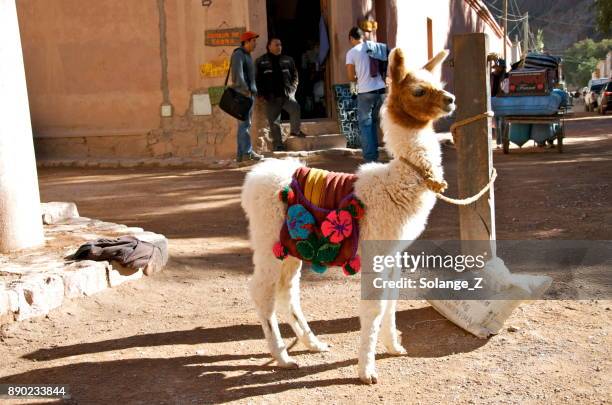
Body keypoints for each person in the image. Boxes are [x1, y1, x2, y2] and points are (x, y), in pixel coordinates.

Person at [256, 38, 307, 151]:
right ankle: (278, 145)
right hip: (270, 97)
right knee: (274, 122)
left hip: (287, 95)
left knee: (295, 108)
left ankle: (295, 131)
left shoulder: (288, 60)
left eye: (280, 45)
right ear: (269, 46)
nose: (279, 47)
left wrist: (293, 90)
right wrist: (260, 95)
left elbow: (295, 76)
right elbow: (257, 79)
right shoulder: (261, 61)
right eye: (276, 45)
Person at [345, 27, 386, 162]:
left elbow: (351, 76)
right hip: (381, 90)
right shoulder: (375, 47)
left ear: (351, 38)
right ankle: (382, 154)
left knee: (366, 125)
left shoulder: (351, 52)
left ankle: (370, 158)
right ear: (362, 37)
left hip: (365, 92)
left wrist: (357, 80)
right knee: (376, 123)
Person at [230, 31, 263, 162]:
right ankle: (247, 153)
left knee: (243, 125)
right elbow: (238, 76)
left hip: (248, 94)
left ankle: (241, 154)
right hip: (243, 95)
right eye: (253, 41)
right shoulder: (238, 54)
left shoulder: (247, 55)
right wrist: (246, 91)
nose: (255, 44)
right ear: (247, 42)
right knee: (245, 125)